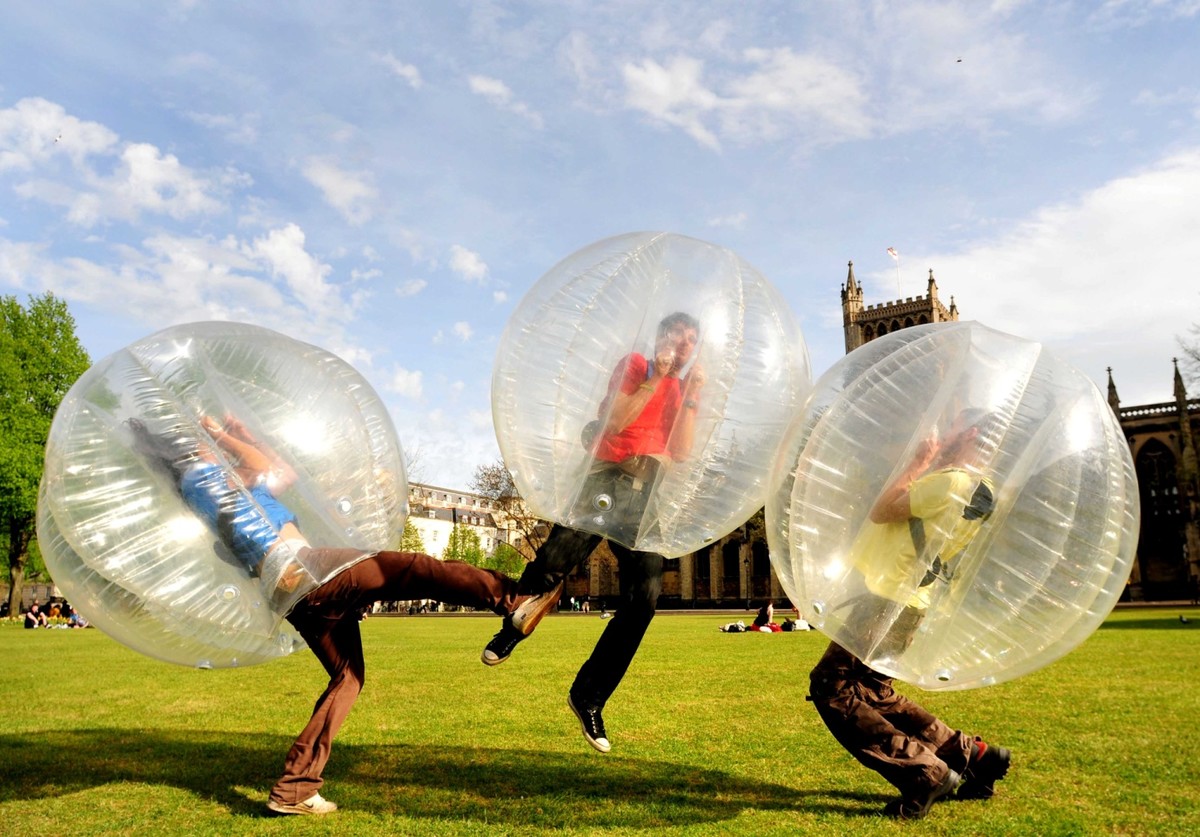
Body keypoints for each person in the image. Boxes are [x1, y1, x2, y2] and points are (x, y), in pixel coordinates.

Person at [129, 415, 557, 816]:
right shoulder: (202, 478)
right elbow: (266, 466)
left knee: (348, 678)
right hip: (304, 567)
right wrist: (220, 433)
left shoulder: (213, 484)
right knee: (414, 569)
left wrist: (235, 432)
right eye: (202, 445)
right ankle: (512, 599)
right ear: (188, 450)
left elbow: (279, 474)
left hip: (293, 591)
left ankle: (295, 787)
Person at [481, 312, 705, 754]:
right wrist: (654, 378)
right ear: (662, 336)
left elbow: (680, 450)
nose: (683, 345)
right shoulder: (637, 365)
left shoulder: (683, 388)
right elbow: (616, 423)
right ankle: (513, 624)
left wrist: (694, 395)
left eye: (691, 341)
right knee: (553, 562)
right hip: (605, 480)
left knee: (643, 603)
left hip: (644, 499)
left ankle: (589, 695)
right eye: (678, 335)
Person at [806, 410, 1012, 820]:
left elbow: (882, 510)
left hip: (884, 597)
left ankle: (925, 772)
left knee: (832, 687)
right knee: (873, 691)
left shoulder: (951, 482)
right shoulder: (983, 488)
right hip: (910, 602)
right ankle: (973, 755)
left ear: (969, 433)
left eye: (951, 425)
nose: (940, 431)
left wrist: (919, 462)